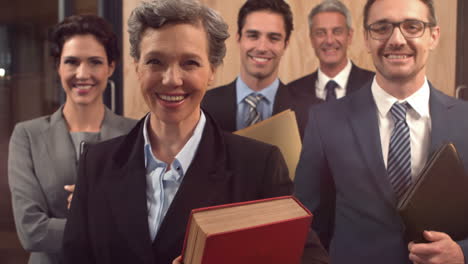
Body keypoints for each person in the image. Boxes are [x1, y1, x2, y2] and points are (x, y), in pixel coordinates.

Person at [62, 1, 327, 264]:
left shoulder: (258, 166)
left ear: (212, 69)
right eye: (155, 61)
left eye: (189, 63)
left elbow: (312, 260)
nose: (172, 79)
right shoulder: (96, 164)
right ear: (136, 66)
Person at [294, 0, 468, 263]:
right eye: (382, 27)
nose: (396, 39)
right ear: (366, 38)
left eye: (412, 26)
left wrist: (462, 253)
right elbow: (307, 229)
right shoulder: (325, 121)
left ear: (433, 36)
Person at [7, 15, 137, 264]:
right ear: (58, 66)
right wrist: (105, 220)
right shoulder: (27, 136)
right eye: (72, 62)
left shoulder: (136, 135)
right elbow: (31, 231)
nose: (82, 73)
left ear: (111, 66)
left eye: (95, 62)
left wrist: (95, 208)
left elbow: (147, 221)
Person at [201, 0, 318, 137]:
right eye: (253, 36)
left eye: (273, 38)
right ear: (239, 38)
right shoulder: (203, 106)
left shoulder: (313, 112)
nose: (262, 47)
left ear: (286, 44)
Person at [288, 0, 374, 139]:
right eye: (320, 33)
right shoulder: (291, 92)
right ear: (311, 39)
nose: (329, 40)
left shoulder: (375, 85)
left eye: (337, 31)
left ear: (349, 36)